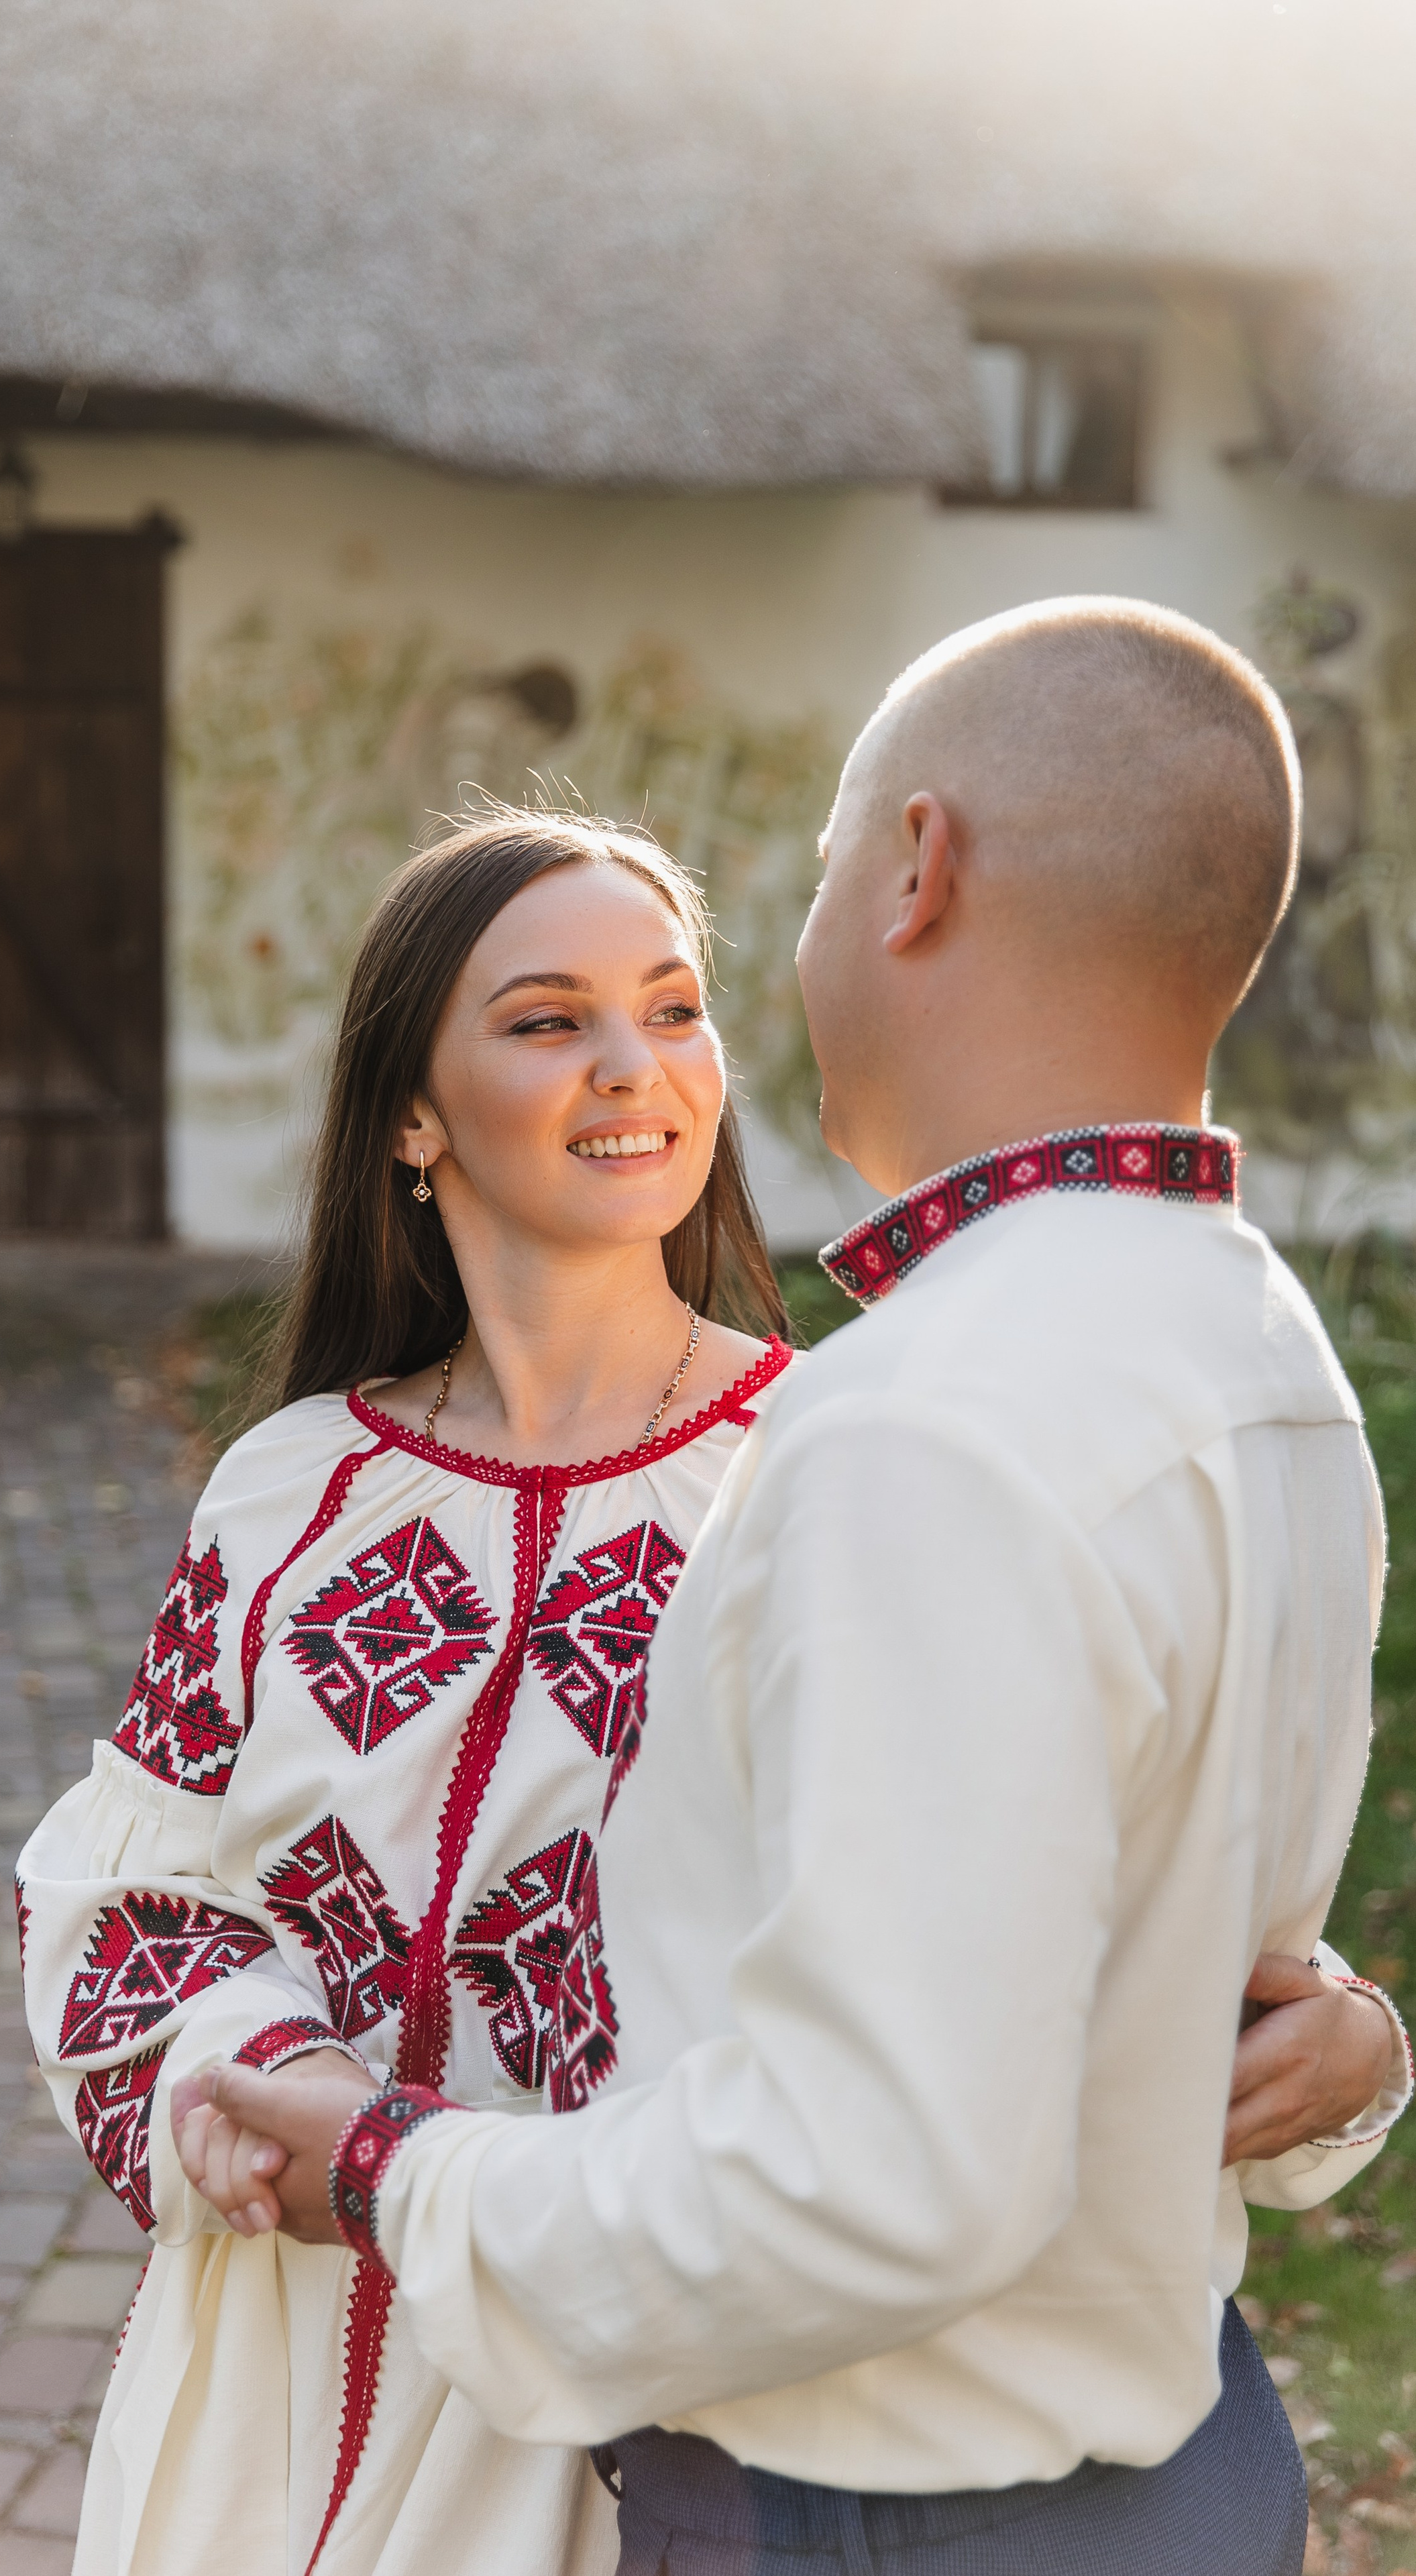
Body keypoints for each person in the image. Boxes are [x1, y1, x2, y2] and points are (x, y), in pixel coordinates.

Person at [190, 608, 1413, 2576]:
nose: (662, 1052)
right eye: (543, 1016)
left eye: (824, 871)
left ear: (920, 868)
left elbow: (877, 2177)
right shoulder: (1260, 1357)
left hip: (884, 2500)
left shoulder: (911, 1426)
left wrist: (398, 2165)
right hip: (1154, 2462)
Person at [17, 807, 795, 2576]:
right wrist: (255, 2074)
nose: (634, 1068)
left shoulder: (820, 1470)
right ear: (411, 1118)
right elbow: (128, 1894)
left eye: (674, 1010)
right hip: (273, 2371)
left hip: (616, 2384)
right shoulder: (291, 1488)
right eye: (549, 1020)